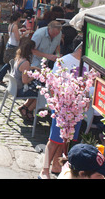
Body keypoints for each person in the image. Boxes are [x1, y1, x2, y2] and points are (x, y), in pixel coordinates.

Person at [38, 40, 88, 179]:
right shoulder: (64, 61)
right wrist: (56, 105)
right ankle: (44, 170)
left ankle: (56, 165)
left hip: (76, 108)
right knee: (54, 140)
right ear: (81, 49)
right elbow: (53, 85)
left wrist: (86, 99)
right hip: (62, 106)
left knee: (67, 139)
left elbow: (87, 83)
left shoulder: (88, 64)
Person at [0, 11, 29, 83]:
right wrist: (25, 33)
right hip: (13, 46)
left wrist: (20, 31)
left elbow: (13, 34)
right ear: (18, 18)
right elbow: (18, 38)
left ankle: (1, 77)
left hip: (10, 44)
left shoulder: (11, 25)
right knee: (10, 63)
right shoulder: (15, 26)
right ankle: (0, 77)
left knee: (10, 63)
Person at [11, 38, 39, 120]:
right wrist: (35, 75)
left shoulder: (19, 57)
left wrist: (33, 68)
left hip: (14, 87)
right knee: (41, 94)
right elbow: (25, 81)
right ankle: (29, 110)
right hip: (20, 89)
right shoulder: (26, 62)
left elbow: (23, 69)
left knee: (36, 90)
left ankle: (24, 107)